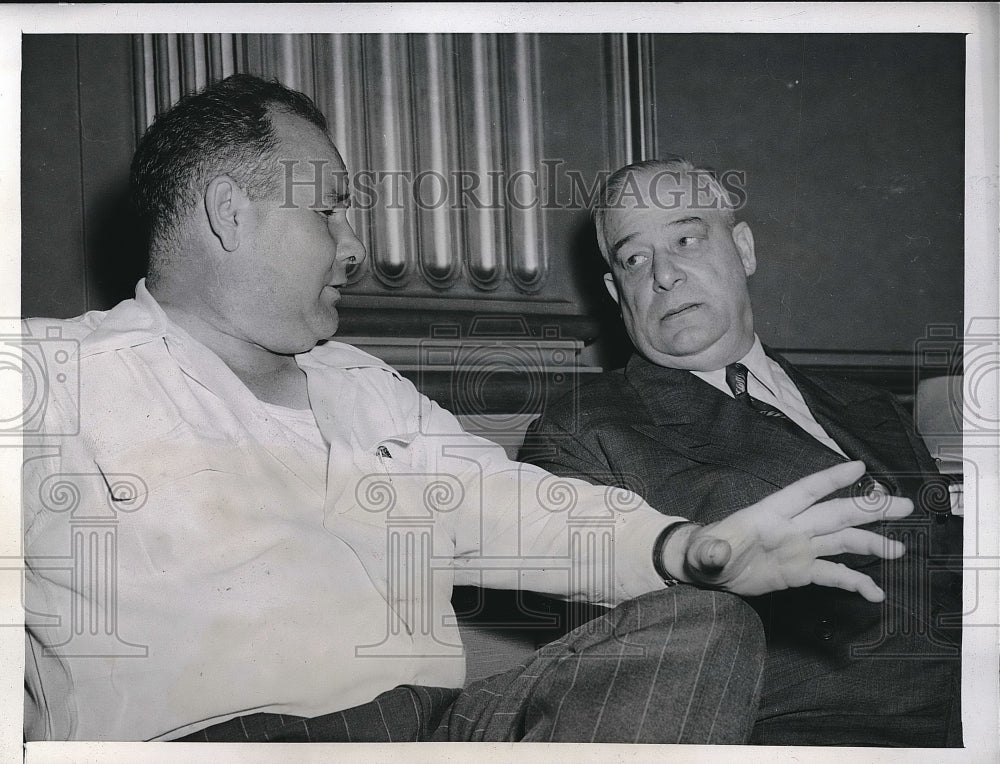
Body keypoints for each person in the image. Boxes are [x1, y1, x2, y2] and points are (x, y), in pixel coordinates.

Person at [23, 77, 912, 744]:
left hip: (439, 736)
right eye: (330, 209)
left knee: (704, 624)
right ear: (229, 212)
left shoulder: (362, 386)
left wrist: (688, 548)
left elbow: (522, 508)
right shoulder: (51, 378)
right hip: (227, 743)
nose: (354, 243)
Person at [520, 157, 964, 747]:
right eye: (634, 258)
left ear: (745, 250)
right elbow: (609, 651)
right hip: (833, 735)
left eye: (686, 238)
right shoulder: (583, 431)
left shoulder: (870, 405)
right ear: (615, 290)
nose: (665, 275)